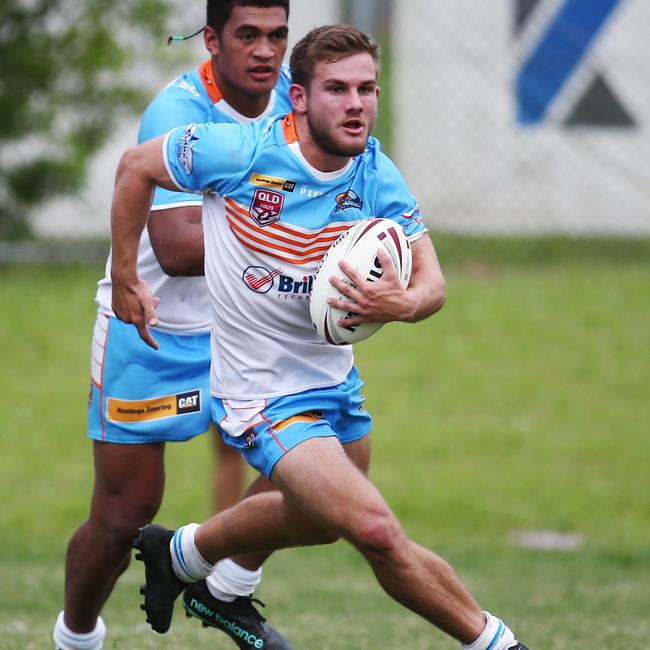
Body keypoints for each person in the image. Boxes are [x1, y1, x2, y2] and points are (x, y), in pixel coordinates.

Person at [110, 24, 531, 650]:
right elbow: (135, 166)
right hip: (260, 395)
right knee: (377, 532)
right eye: (337, 89)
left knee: (317, 523)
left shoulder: (374, 171)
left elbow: (433, 278)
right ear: (300, 98)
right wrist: (124, 272)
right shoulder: (243, 152)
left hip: (335, 381)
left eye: (367, 89)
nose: (356, 103)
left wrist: (405, 302)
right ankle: (498, 644)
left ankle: (186, 555)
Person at [53, 2, 296, 649]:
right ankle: (75, 638)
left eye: (277, 35)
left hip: (242, 328)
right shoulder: (179, 112)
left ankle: (224, 589)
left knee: (319, 458)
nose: (265, 50)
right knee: (123, 516)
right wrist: (303, 247)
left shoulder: (297, 104)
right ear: (213, 39)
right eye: (248, 35)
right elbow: (179, 247)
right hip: (152, 328)